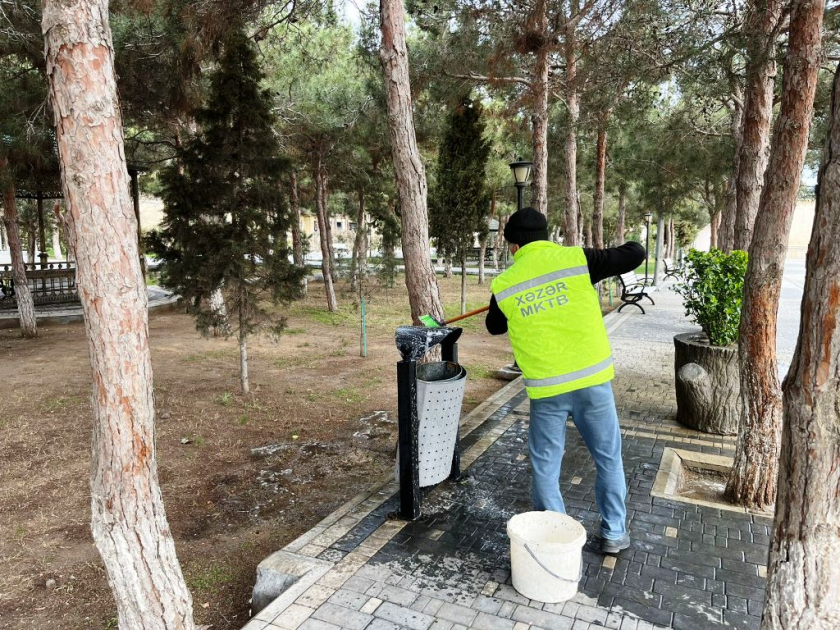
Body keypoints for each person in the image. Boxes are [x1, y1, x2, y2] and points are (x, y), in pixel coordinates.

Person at [486, 207, 646, 554]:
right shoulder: (578, 260)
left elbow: (494, 326)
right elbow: (636, 253)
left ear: (514, 246)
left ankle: (554, 538)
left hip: (547, 389)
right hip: (592, 383)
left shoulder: (504, 284)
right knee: (608, 458)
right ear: (546, 236)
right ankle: (614, 533)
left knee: (546, 465)